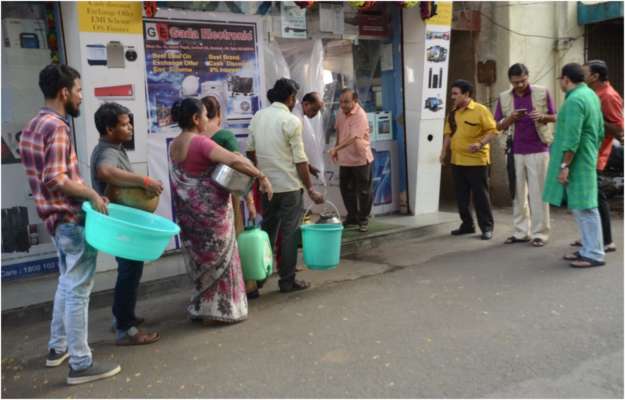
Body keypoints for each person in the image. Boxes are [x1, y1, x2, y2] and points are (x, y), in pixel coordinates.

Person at [19, 64, 120, 384]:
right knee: (78, 289)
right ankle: (80, 363)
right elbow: (55, 178)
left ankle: (57, 347)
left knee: (67, 281)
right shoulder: (57, 127)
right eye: (78, 91)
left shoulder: (33, 125)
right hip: (70, 218)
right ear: (64, 93)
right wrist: (92, 193)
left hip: (53, 219)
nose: (81, 98)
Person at [168, 98, 273, 323]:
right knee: (220, 262)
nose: (207, 119)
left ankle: (201, 307)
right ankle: (220, 312)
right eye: (205, 115)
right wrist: (261, 177)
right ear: (196, 119)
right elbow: (234, 160)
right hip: (211, 219)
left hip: (189, 218)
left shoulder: (174, 145)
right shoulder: (200, 143)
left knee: (201, 263)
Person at [90, 102, 162, 345]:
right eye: (124, 124)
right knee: (129, 272)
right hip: (120, 225)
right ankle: (125, 329)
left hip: (122, 223)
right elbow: (104, 172)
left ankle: (123, 316)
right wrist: (143, 180)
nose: (130, 127)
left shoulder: (113, 146)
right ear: (109, 129)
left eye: (129, 122)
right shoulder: (107, 151)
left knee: (130, 269)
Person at [247, 78, 324, 293]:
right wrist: (310, 188)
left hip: (267, 187)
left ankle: (258, 279)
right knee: (289, 233)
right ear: (290, 98)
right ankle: (287, 280)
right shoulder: (290, 120)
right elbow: (299, 160)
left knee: (268, 232)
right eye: (295, 98)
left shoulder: (258, 117)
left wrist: (260, 174)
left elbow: (250, 151)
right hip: (289, 187)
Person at [543, 63, 605, 268]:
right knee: (583, 207)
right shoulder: (590, 95)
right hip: (586, 156)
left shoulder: (575, 101)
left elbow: (572, 137)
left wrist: (564, 165)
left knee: (585, 208)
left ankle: (594, 253)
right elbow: (600, 131)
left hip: (577, 160)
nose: (560, 83)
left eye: (560, 79)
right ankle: (589, 248)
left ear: (566, 79)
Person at [199, 95, 259, 299]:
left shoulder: (196, 138)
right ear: (220, 114)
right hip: (227, 197)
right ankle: (246, 286)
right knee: (235, 241)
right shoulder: (224, 136)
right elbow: (240, 168)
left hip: (201, 199)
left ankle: (214, 291)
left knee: (210, 248)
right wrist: (250, 201)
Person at [494, 63, 557, 248]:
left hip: (538, 148)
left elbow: (555, 116)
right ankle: (521, 232)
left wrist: (543, 117)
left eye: (523, 81)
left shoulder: (541, 92)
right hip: (515, 150)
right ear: (510, 81)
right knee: (517, 193)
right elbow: (497, 125)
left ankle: (540, 234)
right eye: (516, 83)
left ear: (528, 77)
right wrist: (511, 118)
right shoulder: (504, 97)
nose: (520, 85)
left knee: (538, 195)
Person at [440, 79, 499, 240]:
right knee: (461, 196)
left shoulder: (481, 110)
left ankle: (486, 227)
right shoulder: (453, 113)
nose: (452, 97)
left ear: (466, 94)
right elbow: (448, 133)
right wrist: (444, 151)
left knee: (480, 196)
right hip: (457, 160)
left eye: (455, 94)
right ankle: (467, 225)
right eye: (452, 94)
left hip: (476, 162)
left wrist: (480, 143)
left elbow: (493, 131)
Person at [576, 60, 624, 253]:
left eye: (584, 73)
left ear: (594, 76)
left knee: (596, 195)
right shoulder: (593, 93)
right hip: (589, 150)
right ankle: (592, 237)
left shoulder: (609, 96)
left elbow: (618, 129)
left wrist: (591, 118)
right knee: (589, 196)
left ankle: (605, 240)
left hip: (597, 152)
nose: (581, 76)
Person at [329, 88, 374, 233]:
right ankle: (352, 216)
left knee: (363, 191)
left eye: (346, 102)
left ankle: (363, 219)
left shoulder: (360, 115)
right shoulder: (340, 114)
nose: (343, 105)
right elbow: (339, 132)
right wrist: (336, 148)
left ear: (355, 101)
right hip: (345, 159)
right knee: (346, 189)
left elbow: (354, 137)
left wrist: (337, 149)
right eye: (341, 102)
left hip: (360, 158)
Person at [293, 92, 325, 180]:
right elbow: (297, 149)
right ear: (306, 104)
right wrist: (308, 166)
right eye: (314, 110)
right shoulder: (296, 118)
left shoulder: (298, 113)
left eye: (318, 111)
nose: (315, 114)